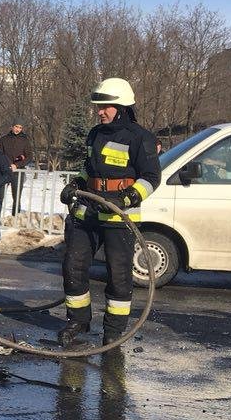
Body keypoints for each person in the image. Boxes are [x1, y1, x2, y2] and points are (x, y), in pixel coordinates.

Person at [57, 78, 160, 348]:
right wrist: (75, 184)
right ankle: (78, 320)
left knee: (119, 275)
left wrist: (126, 198)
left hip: (118, 216)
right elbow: (88, 169)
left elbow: (151, 178)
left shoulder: (141, 138)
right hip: (88, 211)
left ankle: (113, 331)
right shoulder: (95, 134)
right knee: (73, 265)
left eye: (105, 107)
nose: (100, 112)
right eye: (98, 107)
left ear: (122, 107)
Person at [0, 122, 32, 213]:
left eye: (20, 127)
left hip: (18, 172)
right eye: (16, 127)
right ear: (12, 127)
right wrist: (9, 164)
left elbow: (29, 157)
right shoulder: (4, 139)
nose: (18, 129)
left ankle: (15, 217)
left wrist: (17, 165)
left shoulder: (25, 140)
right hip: (4, 171)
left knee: (16, 197)